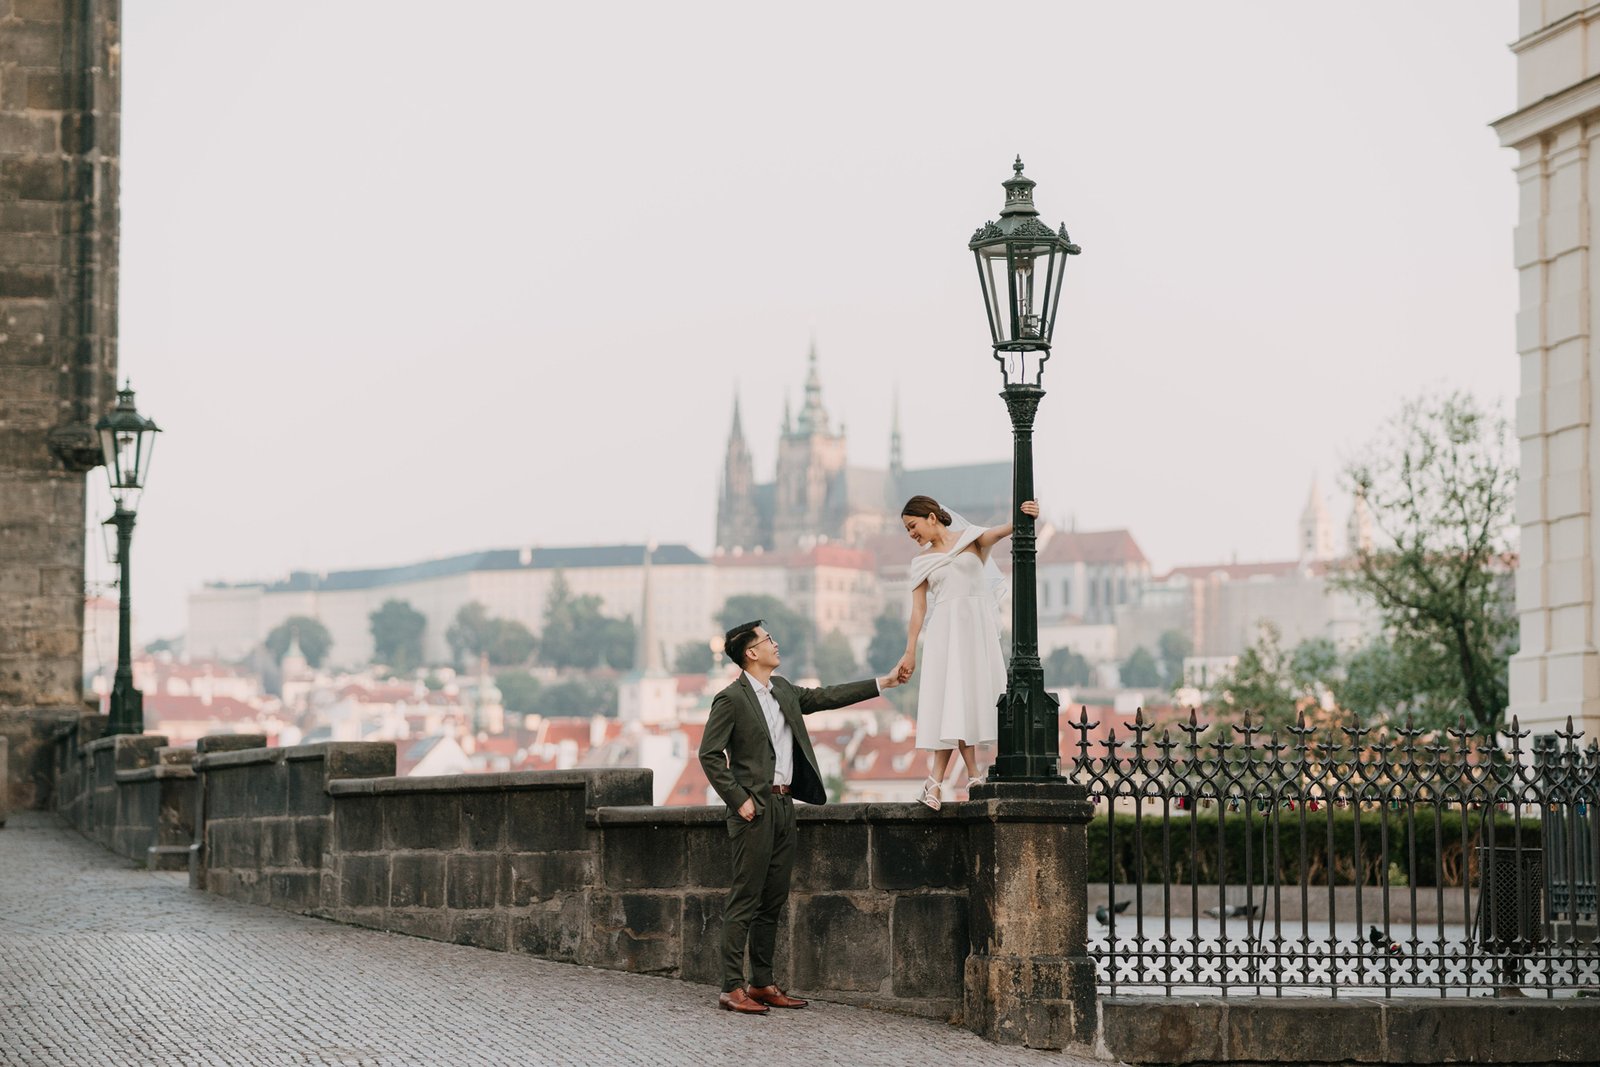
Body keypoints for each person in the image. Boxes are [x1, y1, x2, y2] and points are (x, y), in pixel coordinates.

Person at [698, 619, 906, 1015]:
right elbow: (709, 753)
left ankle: (761, 983)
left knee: (772, 899)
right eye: (768, 639)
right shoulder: (731, 699)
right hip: (753, 810)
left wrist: (884, 682)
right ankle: (731, 987)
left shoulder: (783, 690)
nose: (776, 643)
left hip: (783, 805)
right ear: (751, 653)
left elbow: (828, 696)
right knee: (745, 897)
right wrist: (739, 799)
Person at [895, 495, 1040, 809]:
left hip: (975, 630)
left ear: (932, 517)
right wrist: (910, 652)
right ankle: (964, 777)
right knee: (953, 703)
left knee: (966, 702)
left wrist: (1026, 515)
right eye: (907, 530)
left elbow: (1003, 532)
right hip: (945, 634)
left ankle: (945, 781)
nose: (911, 534)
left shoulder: (971, 539)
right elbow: (918, 611)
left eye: (913, 526)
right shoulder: (921, 561)